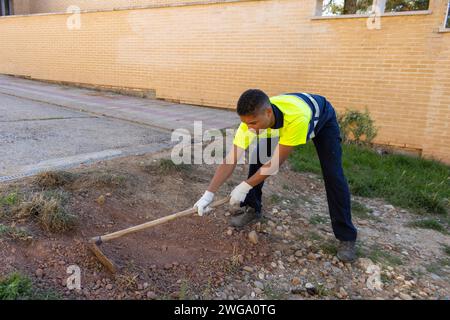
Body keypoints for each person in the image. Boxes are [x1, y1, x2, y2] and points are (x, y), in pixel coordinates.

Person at [193, 89, 358, 262]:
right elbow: (230, 160)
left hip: (321, 118)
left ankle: (346, 236)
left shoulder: (296, 119)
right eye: (246, 123)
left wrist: (244, 186)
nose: (249, 128)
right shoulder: (252, 122)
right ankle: (253, 208)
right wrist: (208, 194)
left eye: (254, 123)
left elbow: (274, 164)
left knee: (333, 175)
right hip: (279, 121)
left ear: (268, 112)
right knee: (257, 157)